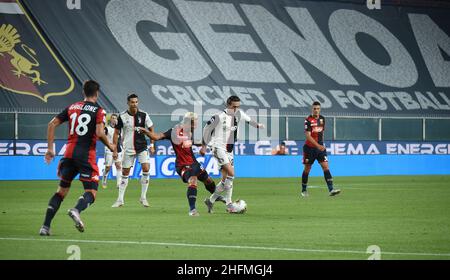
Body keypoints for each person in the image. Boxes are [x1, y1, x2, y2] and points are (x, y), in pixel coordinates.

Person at [39, 80, 115, 235]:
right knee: (91, 192)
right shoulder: (99, 111)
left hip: (69, 153)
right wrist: (111, 146)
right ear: (97, 93)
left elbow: (51, 124)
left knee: (61, 191)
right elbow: (100, 133)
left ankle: (45, 227)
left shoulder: (72, 107)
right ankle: (76, 210)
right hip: (86, 155)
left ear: (83, 92)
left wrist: (50, 149)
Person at [141, 112, 225, 216]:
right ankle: (192, 210)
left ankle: (214, 197)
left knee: (208, 180)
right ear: (187, 122)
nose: (196, 126)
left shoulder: (190, 132)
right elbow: (157, 136)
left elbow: (197, 141)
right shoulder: (174, 131)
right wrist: (146, 132)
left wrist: (204, 146)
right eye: (194, 124)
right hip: (182, 165)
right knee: (193, 180)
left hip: (194, 163)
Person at [200, 96, 264, 213]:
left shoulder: (239, 114)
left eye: (238, 106)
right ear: (228, 105)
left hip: (229, 150)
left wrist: (258, 125)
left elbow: (250, 121)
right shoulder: (218, 117)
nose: (236, 109)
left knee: (225, 180)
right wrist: (204, 146)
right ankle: (229, 204)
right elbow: (206, 130)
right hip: (217, 147)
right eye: (234, 106)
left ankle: (211, 200)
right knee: (232, 173)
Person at [111, 93, 155, 208]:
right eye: (132, 102)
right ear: (128, 103)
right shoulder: (122, 116)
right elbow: (116, 133)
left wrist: (152, 144)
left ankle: (143, 197)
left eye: (136, 102)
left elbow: (151, 129)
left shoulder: (144, 115)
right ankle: (120, 200)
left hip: (142, 147)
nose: (134, 104)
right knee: (125, 173)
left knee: (146, 168)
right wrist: (115, 150)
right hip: (128, 148)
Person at [301, 101, 340, 197]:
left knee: (326, 166)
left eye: (318, 109)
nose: (316, 110)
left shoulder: (322, 119)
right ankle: (304, 190)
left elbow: (322, 133)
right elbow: (308, 136)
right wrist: (318, 145)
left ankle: (331, 190)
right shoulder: (308, 120)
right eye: (314, 109)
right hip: (309, 148)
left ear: (320, 109)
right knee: (307, 169)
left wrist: (321, 144)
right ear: (312, 109)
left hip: (320, 148)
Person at [101, 114, 123, 189]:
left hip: (118, 149)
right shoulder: (107, 129)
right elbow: (102, 137)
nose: (114, 119)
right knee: (108, 168)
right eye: (112, 118)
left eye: (115, 118)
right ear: (110, 119)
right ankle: (104, 180)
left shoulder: (119, 129)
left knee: (118, 166)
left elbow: (121, 139)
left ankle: (118, 184)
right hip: (109, 149)